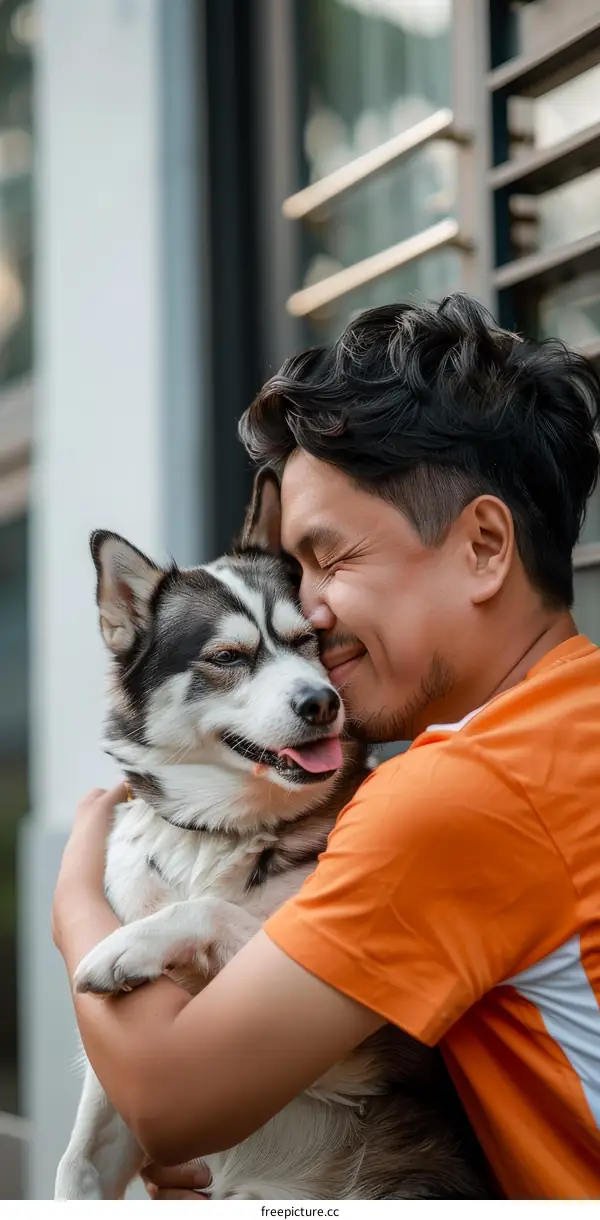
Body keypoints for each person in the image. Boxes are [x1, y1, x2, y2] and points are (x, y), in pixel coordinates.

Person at [53, 294, 600, 1200]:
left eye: (331, 559)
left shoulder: (466, 792)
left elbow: (167, 1102)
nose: (307, 614)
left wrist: (78, 892)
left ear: (484, 548)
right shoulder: (568, 726)